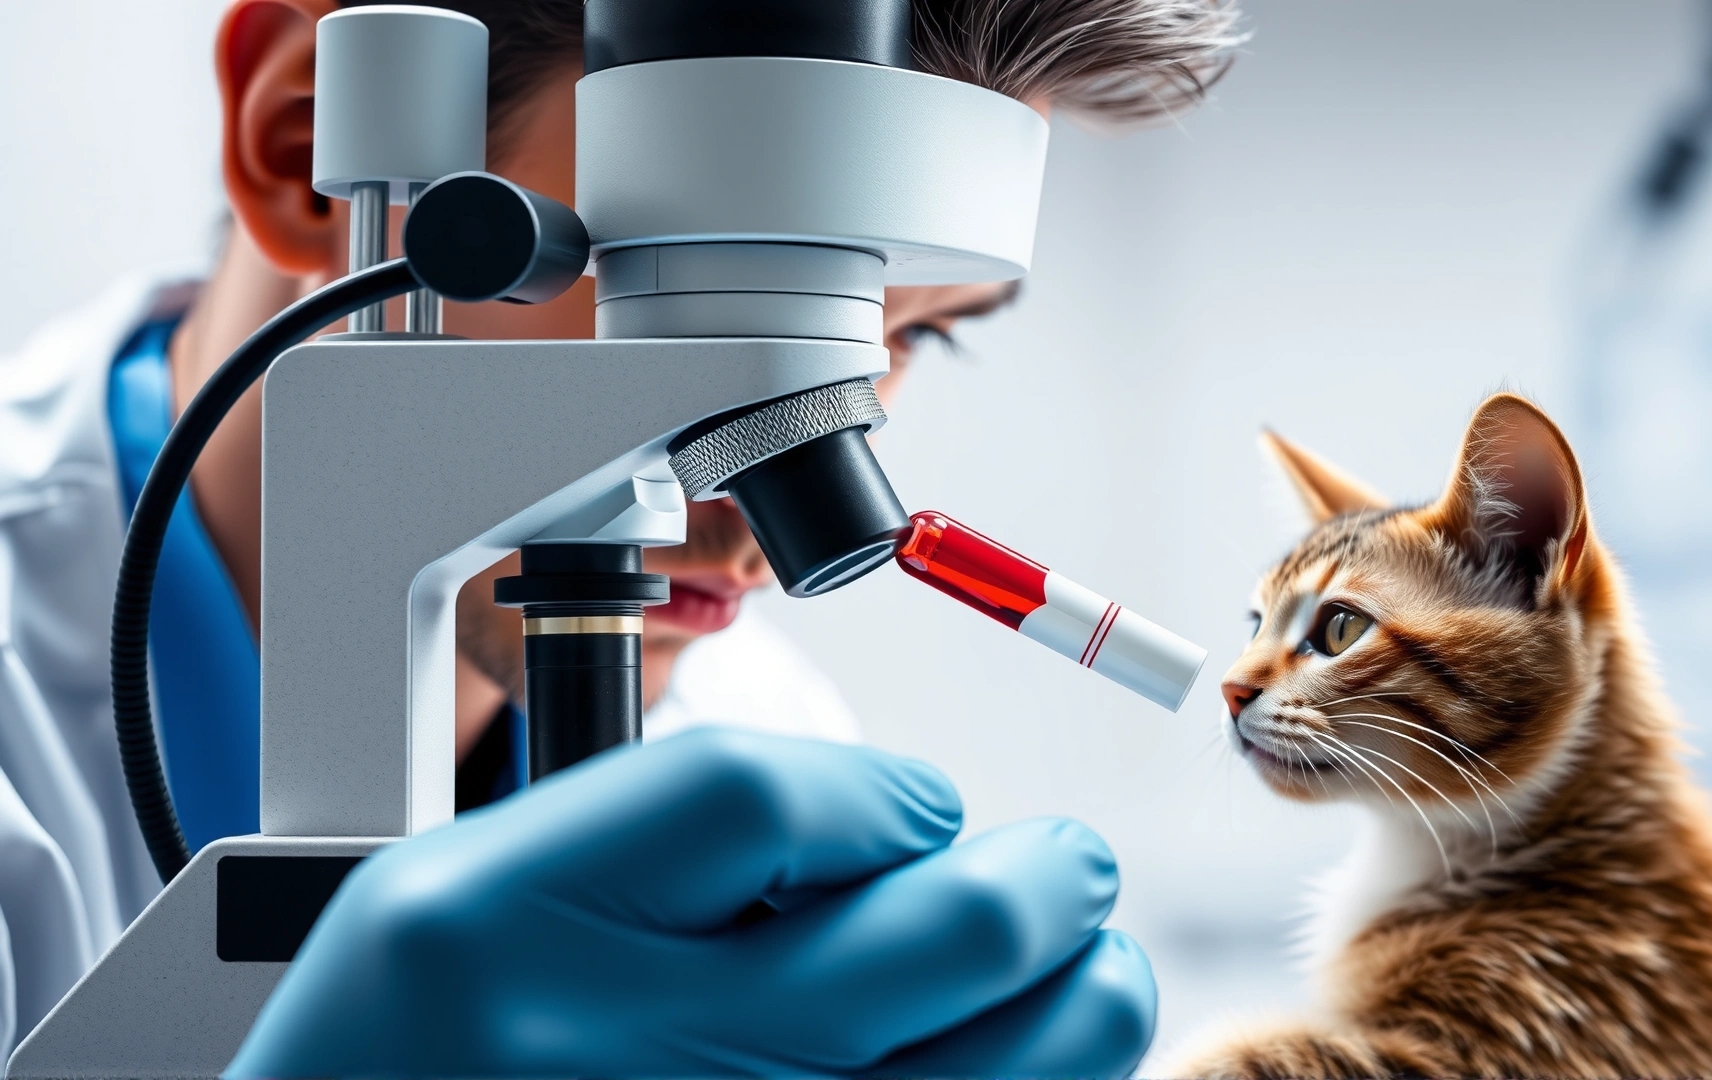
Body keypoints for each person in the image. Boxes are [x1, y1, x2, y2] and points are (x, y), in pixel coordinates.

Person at [0, 0, 1241, 1071]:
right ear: (306, 138)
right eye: (673, 282)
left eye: (916, 332)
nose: (747, 507)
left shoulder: (756, 741)